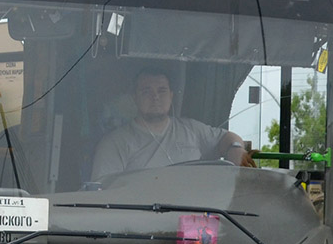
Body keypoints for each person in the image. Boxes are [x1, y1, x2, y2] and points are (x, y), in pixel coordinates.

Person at [91, 68, 249, 179]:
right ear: (134, 97)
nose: (155, 97)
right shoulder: (114, 143)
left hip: (193, 219)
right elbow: (102, 193)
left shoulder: (192, 129)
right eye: (146, 91)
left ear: (171, 96)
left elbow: (229, 137)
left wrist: (236, 150)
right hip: (140, 221)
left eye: (162, 91)